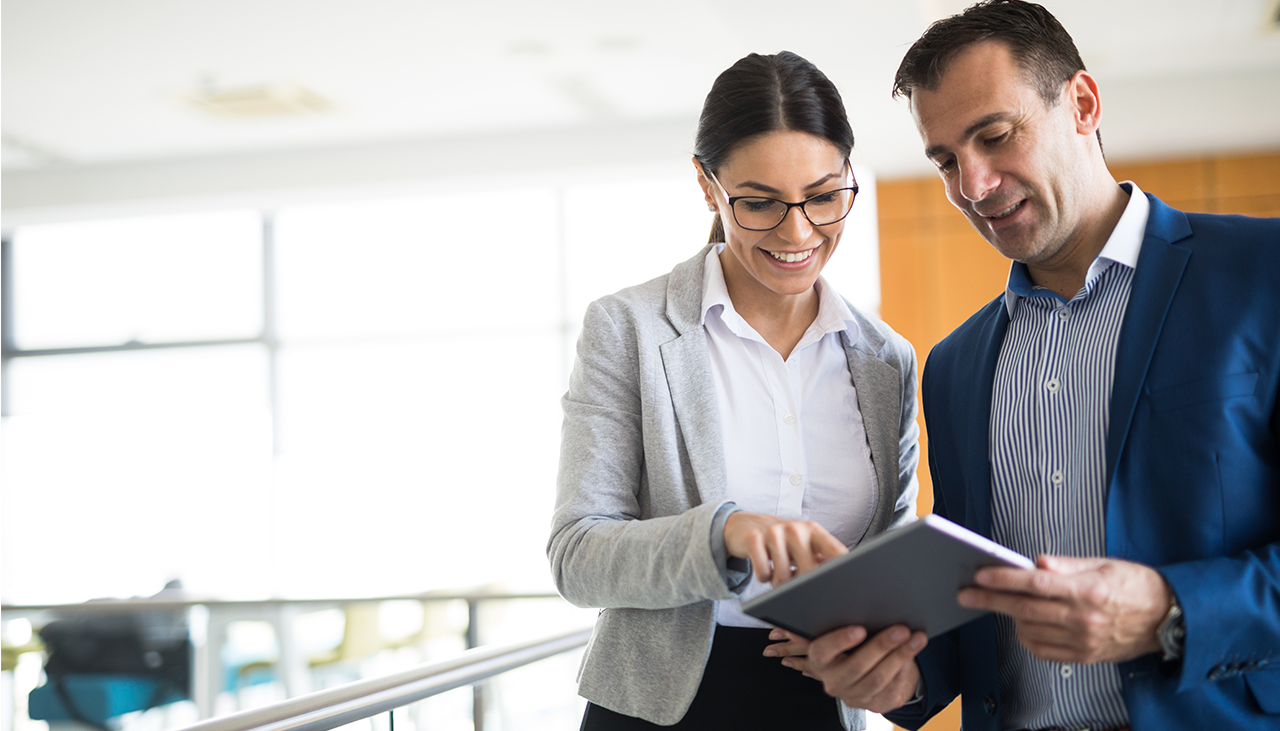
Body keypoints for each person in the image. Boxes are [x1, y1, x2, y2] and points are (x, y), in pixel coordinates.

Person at [802, 1, 1280, 729]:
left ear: (1082, 104)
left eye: (994, 136)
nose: (974, 185)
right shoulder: (955, 366)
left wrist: (1171, 611)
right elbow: (972, 612)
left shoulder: (1261, 274)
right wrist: (899, 678)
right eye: (946, 161)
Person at [547, 51, 920, 730]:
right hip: (655, 708)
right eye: (760, 203)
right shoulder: (629, 329)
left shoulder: (886, 361)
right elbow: (578, 556)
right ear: (707, 185)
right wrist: (726, 534)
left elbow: (884, 559)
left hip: (821, 707)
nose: (798, 231)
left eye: (824, 196)